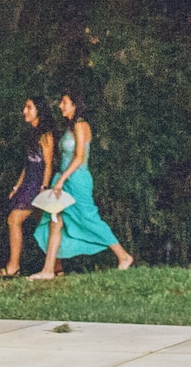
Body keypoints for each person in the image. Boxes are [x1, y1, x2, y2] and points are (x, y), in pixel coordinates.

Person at [31, 93, 133, 279]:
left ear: (75, 105)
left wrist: (62, 181)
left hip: (77, 180)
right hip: (63, 178)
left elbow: (79, 157)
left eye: (64, 103)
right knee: (55, 221)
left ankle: (124, 256)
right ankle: (48, 270)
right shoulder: (70, 127)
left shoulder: (80, 125)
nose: (61, 106)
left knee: (88, 218)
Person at [0, 98, 53, 278]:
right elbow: (28, 164)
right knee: (46, 224)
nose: (24, 111)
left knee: (14, 219)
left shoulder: (45, 135)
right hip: (28, 183)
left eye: (29, 108)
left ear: (39, 111)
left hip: (38, 184)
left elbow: (48, 164)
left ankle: (13, 267)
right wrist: (17, 186)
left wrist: (44, 187)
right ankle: (56, 266)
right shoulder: (31, 134)